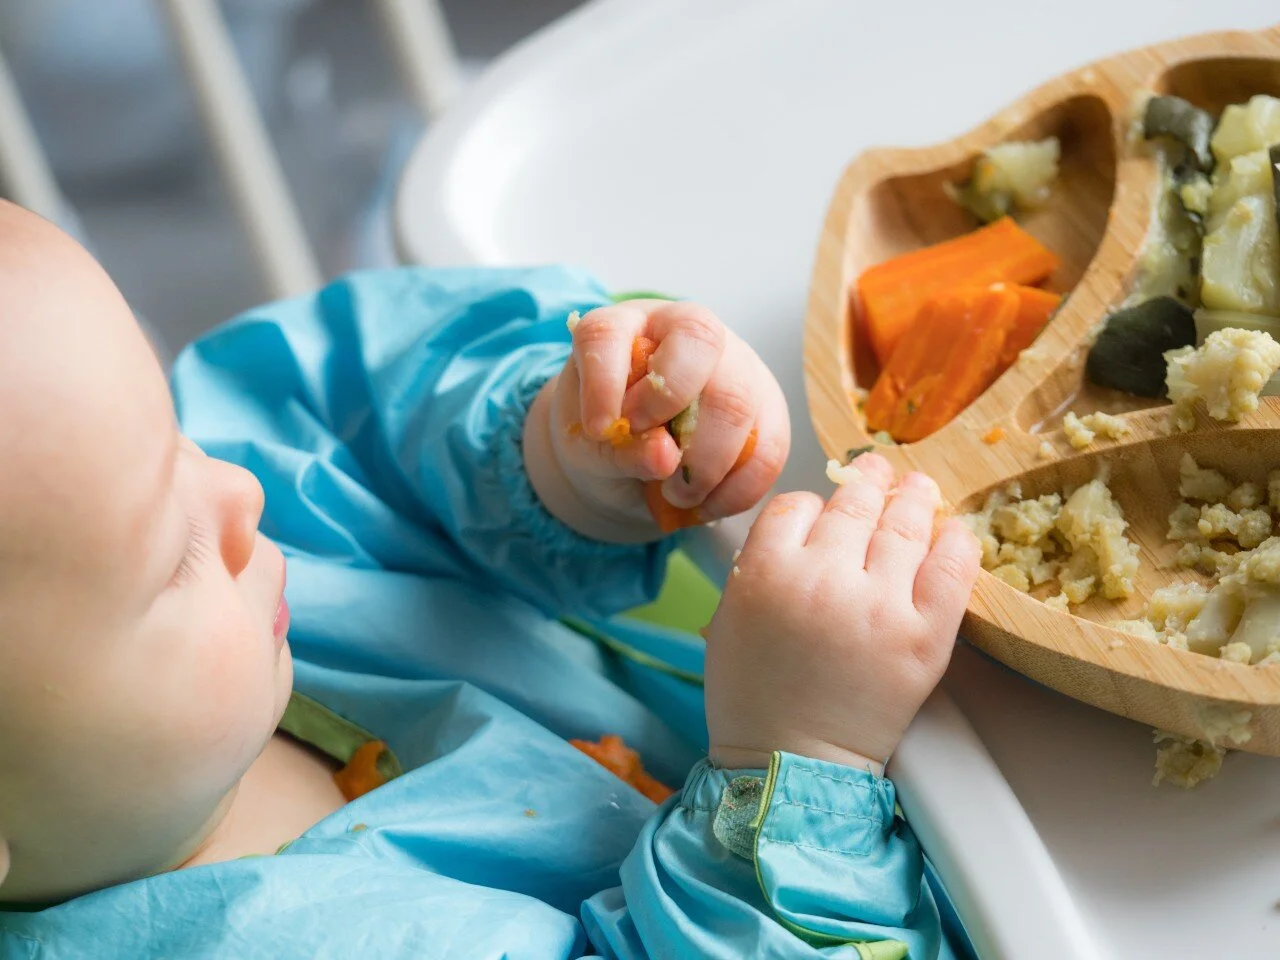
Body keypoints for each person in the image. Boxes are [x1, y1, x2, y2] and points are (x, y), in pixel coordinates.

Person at [0, 199, 981, 958]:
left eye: (174, 441)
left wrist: (556, 452)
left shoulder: (112, 506)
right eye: (169, 556)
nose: (240, 493)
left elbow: (344, 408)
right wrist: (794, 765)